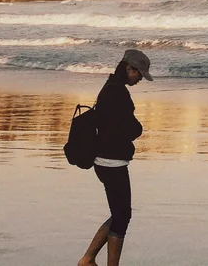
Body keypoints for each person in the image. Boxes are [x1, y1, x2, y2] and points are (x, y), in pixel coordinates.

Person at [78, 48, 152, 266]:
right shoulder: (117, 92)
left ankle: (88, 259)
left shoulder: (110, 87)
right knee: (122, 216)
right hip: (112, 162)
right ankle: (92, 260)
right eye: (139, 74)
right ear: (129, 69)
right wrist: (137, 129)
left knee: (120, 214)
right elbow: (127, 128)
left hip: (104, 160)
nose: (140, 79)